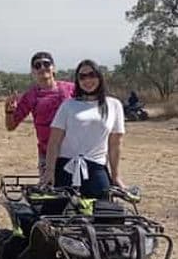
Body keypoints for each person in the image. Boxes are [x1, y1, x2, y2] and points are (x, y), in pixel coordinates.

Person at [42, 60, 125, 198]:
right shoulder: (68, 105)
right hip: (66, 165)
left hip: (96, 167)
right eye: (82, 77)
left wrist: (116, 176)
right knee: (53, 213)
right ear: (78, 81)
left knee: (106, 213)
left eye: (91, 75)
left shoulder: (114, 105)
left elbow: (115, 144)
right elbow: (54, 141)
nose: (87, 80)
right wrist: (50, 171)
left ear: (99, 77)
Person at [4, 51, 75, 173]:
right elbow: (11, 126)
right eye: (38, 66)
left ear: (53, 68)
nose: (42, 68)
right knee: (48, 190)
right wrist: (9, 112)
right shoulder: (30, 96)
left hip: (75, 153)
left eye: (46, 64)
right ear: (33, 72)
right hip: (46, 154)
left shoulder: (72, 89)